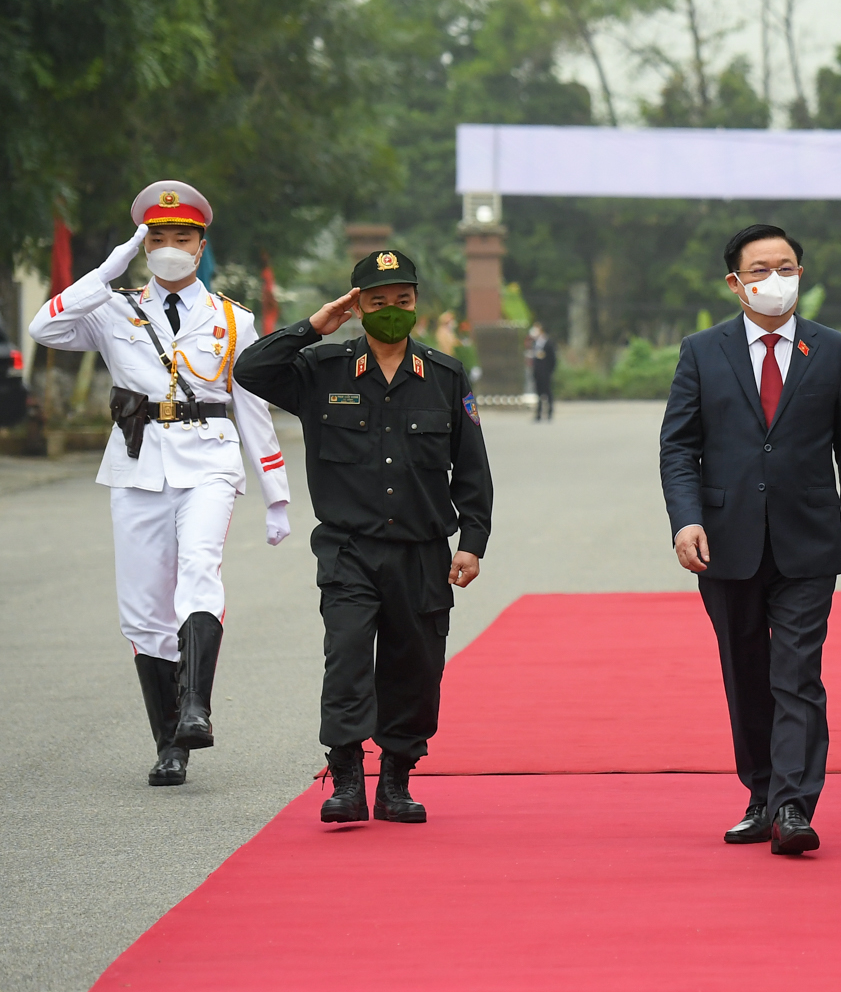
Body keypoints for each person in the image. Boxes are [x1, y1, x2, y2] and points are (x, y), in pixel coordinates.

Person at [28, 181, 292, 787]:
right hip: (139, 461)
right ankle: (169, 739)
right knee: (144, 611)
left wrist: (276, 494)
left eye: (183, 237)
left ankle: (197, 705)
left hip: (209, 459)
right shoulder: (113, 307)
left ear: (201, 245)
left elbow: (251, 407)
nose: (171, 248)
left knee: (199, 568)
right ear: (143, 246)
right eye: (158, 239)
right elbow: (46, 328)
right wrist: (105, 270)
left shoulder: (232, 319)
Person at [233, 249, 493, 825]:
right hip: (349, 549)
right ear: (358, 306)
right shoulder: (321, 370)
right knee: (347, 657)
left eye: (403, 301)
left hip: (423, 553)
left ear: (417, 303)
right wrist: (312, 327)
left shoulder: (445, 377)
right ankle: (347, 776)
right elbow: (249, 371)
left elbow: (472, 468)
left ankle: (396, 779)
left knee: (415, 667)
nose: (392, 311)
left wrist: (472, 541)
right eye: (378, 302)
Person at [660, 223, 841, 856]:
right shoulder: (703, 351)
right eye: (759, 270)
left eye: (785, 267)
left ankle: (793, 804)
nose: (773, 279)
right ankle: (760, 792)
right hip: (725, 544)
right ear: (736, 283)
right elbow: (679, 446)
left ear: (800, 275)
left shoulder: (833, 351)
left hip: (809, 542)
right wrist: (686, 519)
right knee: (746, 672)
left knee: (797, 673)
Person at [528, 322, 557, 422]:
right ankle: (538, 414)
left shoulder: (548, 343)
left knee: (548, 392)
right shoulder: (535, 343)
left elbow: (553, 359)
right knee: (538, 393)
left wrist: (550, 371)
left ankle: (549, 412)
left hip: (546, 372)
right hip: (537, 372)